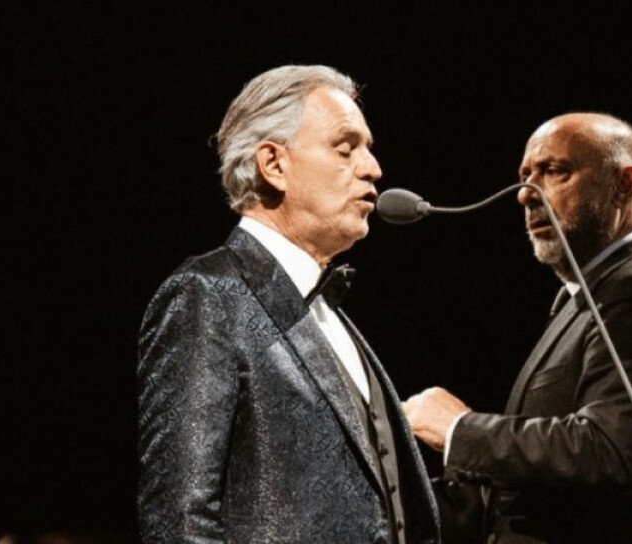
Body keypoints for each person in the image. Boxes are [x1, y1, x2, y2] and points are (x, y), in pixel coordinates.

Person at [137, 65, 440, 544]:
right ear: (274, 164)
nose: (373, 168)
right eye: (345, 148)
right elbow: (179, 521)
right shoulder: (208, 295)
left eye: (368, 148)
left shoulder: (331, 314)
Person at [403, 113, 632, 543]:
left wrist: (460, 430)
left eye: (554, 171)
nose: (526, 194)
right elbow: (540, 493)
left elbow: (609, 451)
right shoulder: (584, 298)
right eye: (525, 176)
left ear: (623, 184)